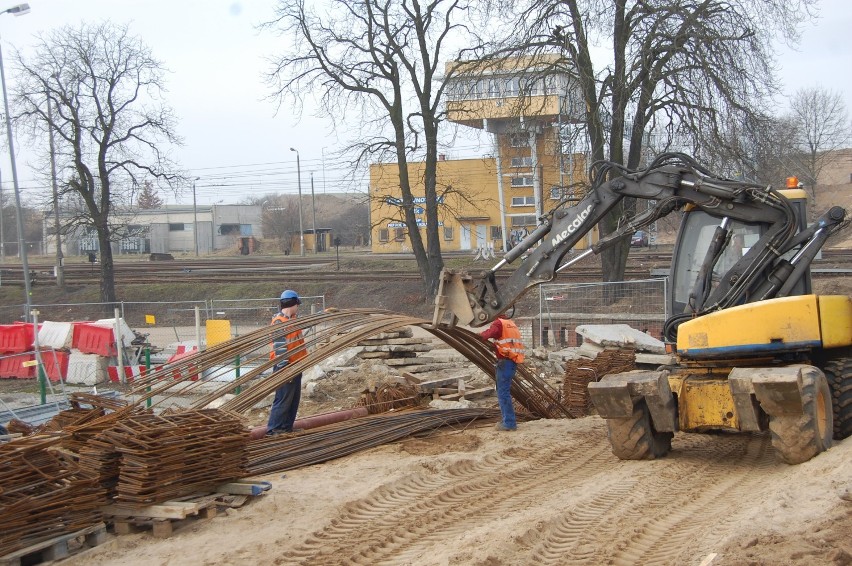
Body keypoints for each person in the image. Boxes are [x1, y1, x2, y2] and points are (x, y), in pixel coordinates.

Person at [266, 289, 308, 435]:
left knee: (293, 400)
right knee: (283, 399)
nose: (298, 307)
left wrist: (324, 314)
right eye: (297, 304)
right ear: (293, 303)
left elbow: (307, 324)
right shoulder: (279, 322)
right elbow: (279, 350)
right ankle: (274, 429)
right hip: (285, 367)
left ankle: (286, 428)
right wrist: (286, 370)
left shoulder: (292, 320)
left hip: (296, 366)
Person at [479, 313, 525, 431]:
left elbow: (489, 333)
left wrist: (479, 335)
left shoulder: (498, 323)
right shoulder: (510, 324)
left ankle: (509, 423)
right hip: (512, 360)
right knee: (504, 391)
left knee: (503, 393)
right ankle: (507, 420)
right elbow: (505, 341)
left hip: (505, 362)